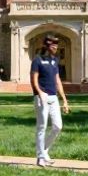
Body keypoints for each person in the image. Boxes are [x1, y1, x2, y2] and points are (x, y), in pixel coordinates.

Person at [30, 35, 69, 166]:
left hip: (53, 97)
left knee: (58, 126)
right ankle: (40, 157)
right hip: (42, 97)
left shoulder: (54, 60)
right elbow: (34, 79)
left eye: (57, 45)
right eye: (53, 45)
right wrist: (40, 93)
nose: (56, 47)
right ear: (47, 46)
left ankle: (44, 150)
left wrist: (64, 99)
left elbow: (57, 80)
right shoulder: (37, 60)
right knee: (42, 127)